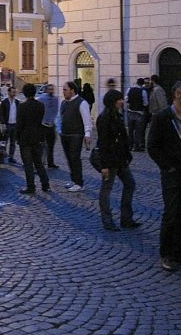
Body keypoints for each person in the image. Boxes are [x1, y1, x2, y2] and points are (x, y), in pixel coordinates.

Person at [148, 81, 181, 272]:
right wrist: (166, 166)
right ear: (178, 95)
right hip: (171, 173)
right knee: (171, 213)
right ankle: (166, 253)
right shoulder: (163, 117)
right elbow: (152, 146)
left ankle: (179, 250)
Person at [96, 90, 139, 231]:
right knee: (106, 189)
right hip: (110, 160)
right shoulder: (104, 118)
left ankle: (126, 218)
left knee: (130, 184)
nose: (122, 101)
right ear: (113, 101)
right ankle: (107, 221)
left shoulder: (118, 116)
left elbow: (122, 138)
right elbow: (103, 143)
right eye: (120, 99)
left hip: (120, 159)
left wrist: (127, 155)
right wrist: (104, 166)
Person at [16, 84, 50, 194]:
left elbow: (20, 124)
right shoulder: (40, 105)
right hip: (37, 136)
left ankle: (31, 186)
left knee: (28, 164)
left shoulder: (22, 106)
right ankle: (45, 184)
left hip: (25, 138)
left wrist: (17, 136)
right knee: (38, 162)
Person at [59, 81, 92, 192]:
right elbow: (61, 117)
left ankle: (79, 182)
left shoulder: (82, 103)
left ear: (72, 90)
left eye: (65, 90)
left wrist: (87, 134)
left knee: (75, 158)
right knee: (69, 158)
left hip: (76, 134)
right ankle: (74, 180)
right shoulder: (64, 103)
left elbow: (86, 119)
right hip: (65, 134)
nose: (63, 92)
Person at [38, 84, 60, 169]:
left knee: (51, 145)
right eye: (49, 89)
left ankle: (50, 162)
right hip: (43, 125)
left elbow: (56, 111)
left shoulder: (56, 99)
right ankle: (41, 163)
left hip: (52, 125)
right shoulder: (41, 99)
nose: (51, 91)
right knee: (42, 145)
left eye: (52, 89)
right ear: (46, 90)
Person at [125, 78, 148, 153]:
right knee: (138, 131)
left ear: (136, 82)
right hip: (139, 113)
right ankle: (136, 146)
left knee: (130, 130)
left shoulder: (130, 89)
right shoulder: (143, 91)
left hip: (130, 112)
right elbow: (145, 103)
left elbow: (126, 99)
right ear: (142, 84)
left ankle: (130, 145)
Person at [0, 85, 20, 165]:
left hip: (14, 124)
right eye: (13, 92)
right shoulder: (4, 102)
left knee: (13, 142)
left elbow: (19, 113)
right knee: (4, 142)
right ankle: (2, 157)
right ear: (9, 92)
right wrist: (3, 123)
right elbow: (1, 114)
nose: (14, 94)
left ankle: (11, 157)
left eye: (15, 92)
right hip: (7, 124)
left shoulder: (17, 102)